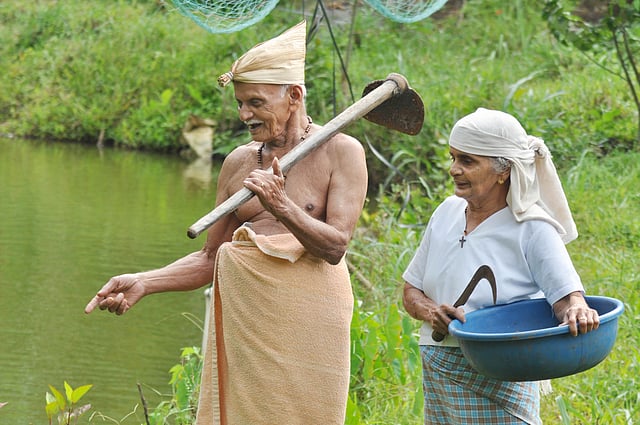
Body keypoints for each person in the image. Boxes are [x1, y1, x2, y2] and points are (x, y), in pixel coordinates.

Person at [84, 21, 368, 425]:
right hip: (248, 321)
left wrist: (282, 206)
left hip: (310, 322)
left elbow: (336, 246)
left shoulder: (341, 151)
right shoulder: (238, 162)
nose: (244, 114)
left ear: (294, 95)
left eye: (255, 102)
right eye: (239, 103)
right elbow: (209, 257)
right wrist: (146, 281)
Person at [401, 108, 600, 425]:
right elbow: (411, 290)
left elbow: (567, 298)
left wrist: (578, 309)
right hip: (439, 368)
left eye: (468, 161)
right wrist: (431, 312)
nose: (454, 169)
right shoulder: (446, 212)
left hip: (499, 372)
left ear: (503, 171)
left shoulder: (532, 228)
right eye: (453, 157)